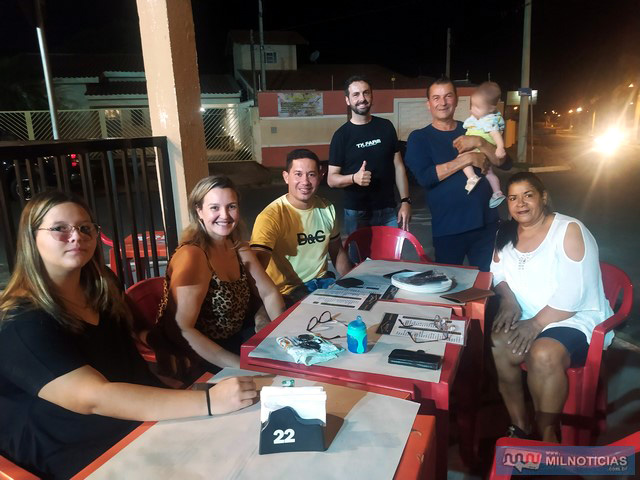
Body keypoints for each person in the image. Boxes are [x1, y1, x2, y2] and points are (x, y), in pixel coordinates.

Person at [0, 191, 257, 479]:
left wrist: (182, 391)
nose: (77, 237)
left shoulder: (101, 288)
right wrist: (209, 402)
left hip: (131, 426)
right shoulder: (20, 321)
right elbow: (93, 397)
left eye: (85, 228)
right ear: (31, 238)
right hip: (71, 453)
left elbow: (129, 359)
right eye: (60, 228)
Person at [490, 172, 613, 442]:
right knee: (499, 341)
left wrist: (535, 324)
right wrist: (508, 299)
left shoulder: (568, 230)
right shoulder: (505, 231)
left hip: (573, 317)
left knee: (543, 353)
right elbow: (497, 273)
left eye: (528, 195)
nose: (520, 204)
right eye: (513, 198)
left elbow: (573, 294)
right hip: (528, 314)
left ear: (543, 197)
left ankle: (547, 435)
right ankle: (520, 426)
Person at [148, 175, 285, 375]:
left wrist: (285, 339)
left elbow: (269, 293)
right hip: (200, 353)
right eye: (214, 208)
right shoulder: (193, 255)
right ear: (199, 211)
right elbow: (181, 330)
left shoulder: (237, 246)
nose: (225, 215)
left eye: (231, 206)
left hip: (235, 339)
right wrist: (242, 366)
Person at [404, 76, 510, 272]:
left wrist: (480, 142)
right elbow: (426, 177)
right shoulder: (419, 138)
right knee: (450, 283)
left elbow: (504, 162)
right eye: (436, 98)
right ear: (428, 104)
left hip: (486, 225)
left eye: (448, 96)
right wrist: (467, 159)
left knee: (487, 281)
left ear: (456, 99)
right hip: (448, 229)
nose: (442, 102)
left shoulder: (473, 127)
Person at [251, 148, 352, 306]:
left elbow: (337, 251)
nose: (305, 182)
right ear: (286, 177)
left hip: (322, 285)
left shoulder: (327, 208)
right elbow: (256, 270)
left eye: (311, 174)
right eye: (298, 174)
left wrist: (355, 282)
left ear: (320, 176)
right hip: (286, 292)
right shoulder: (271, 216)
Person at [328, 75, 412, 235]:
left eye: (366, 93)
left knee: (390, 252)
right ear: (347, 100)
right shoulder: (341, 136)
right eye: (356, 94)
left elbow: (398, 166)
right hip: (357, 213)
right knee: (359, 253)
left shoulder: (386, 127)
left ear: (372, 96)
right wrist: (354, 178)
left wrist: (405, 201)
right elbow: (331, 179)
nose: (362, 98)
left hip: (388, 210)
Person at [460, 81, 507, 208]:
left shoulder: (488, 121)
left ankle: (472, 177)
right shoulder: (484, 118)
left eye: (477, 107)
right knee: (489, 173)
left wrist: (500, 147)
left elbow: (495, 134)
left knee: (462, 159)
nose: (472, 109)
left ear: (491, 109)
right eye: (472, 105)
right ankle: (497, 192)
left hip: (478, 149)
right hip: (485, 151)